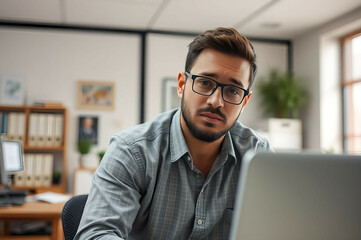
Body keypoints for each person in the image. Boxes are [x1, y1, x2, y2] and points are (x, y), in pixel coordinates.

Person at [75, 27, 272, 240]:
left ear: (244, 102)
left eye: (233, 90)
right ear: (181, 85)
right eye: (205, 83)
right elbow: (96, 234)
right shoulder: (132, 151)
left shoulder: (258, 156)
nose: (216, 101)